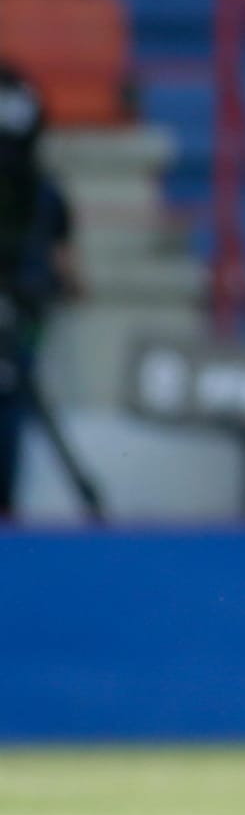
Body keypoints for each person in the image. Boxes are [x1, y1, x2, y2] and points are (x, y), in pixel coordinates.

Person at [0, 65, 73, 518]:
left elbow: (63, 262)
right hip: (27, 306)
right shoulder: (46, 191)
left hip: (23, 311)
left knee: (11, 398)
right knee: (11, 400)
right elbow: (65, 266)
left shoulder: (44, 194)